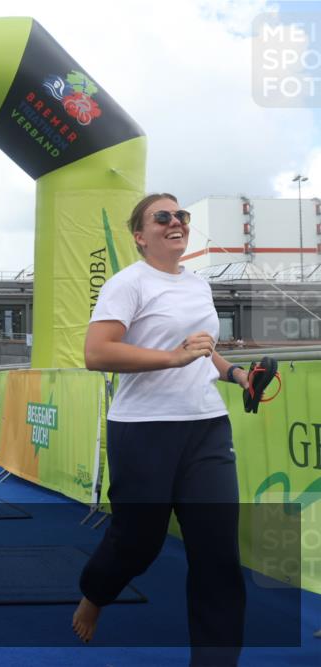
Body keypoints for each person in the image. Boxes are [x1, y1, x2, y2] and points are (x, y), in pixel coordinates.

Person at [73, 193, 248, 666]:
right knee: (138, 543)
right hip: (144, 430)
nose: (177, 222)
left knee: (218, 559)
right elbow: (97, 354)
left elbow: (203, 348)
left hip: (206, 427)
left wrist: (235, 375)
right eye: (163, 217)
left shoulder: (198, 285)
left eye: (181, 216)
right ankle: (95, 593)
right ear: (140, 235)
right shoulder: (126, 284)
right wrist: (172, 358)